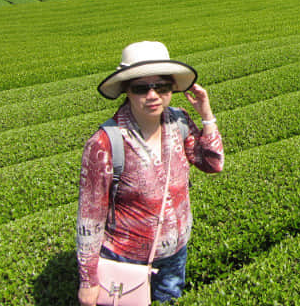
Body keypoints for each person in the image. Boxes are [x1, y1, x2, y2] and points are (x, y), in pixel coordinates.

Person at [76, 41, 224, 305]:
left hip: (175, 252)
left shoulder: (179, 122)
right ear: (127, 91)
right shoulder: (105, 143)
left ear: (171, 89)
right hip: (126, 257)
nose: (153, 95)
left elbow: (212, 164)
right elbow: (90, 218)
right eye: (141, 88)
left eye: (162, 86)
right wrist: (88, 280)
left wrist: (207, 115)